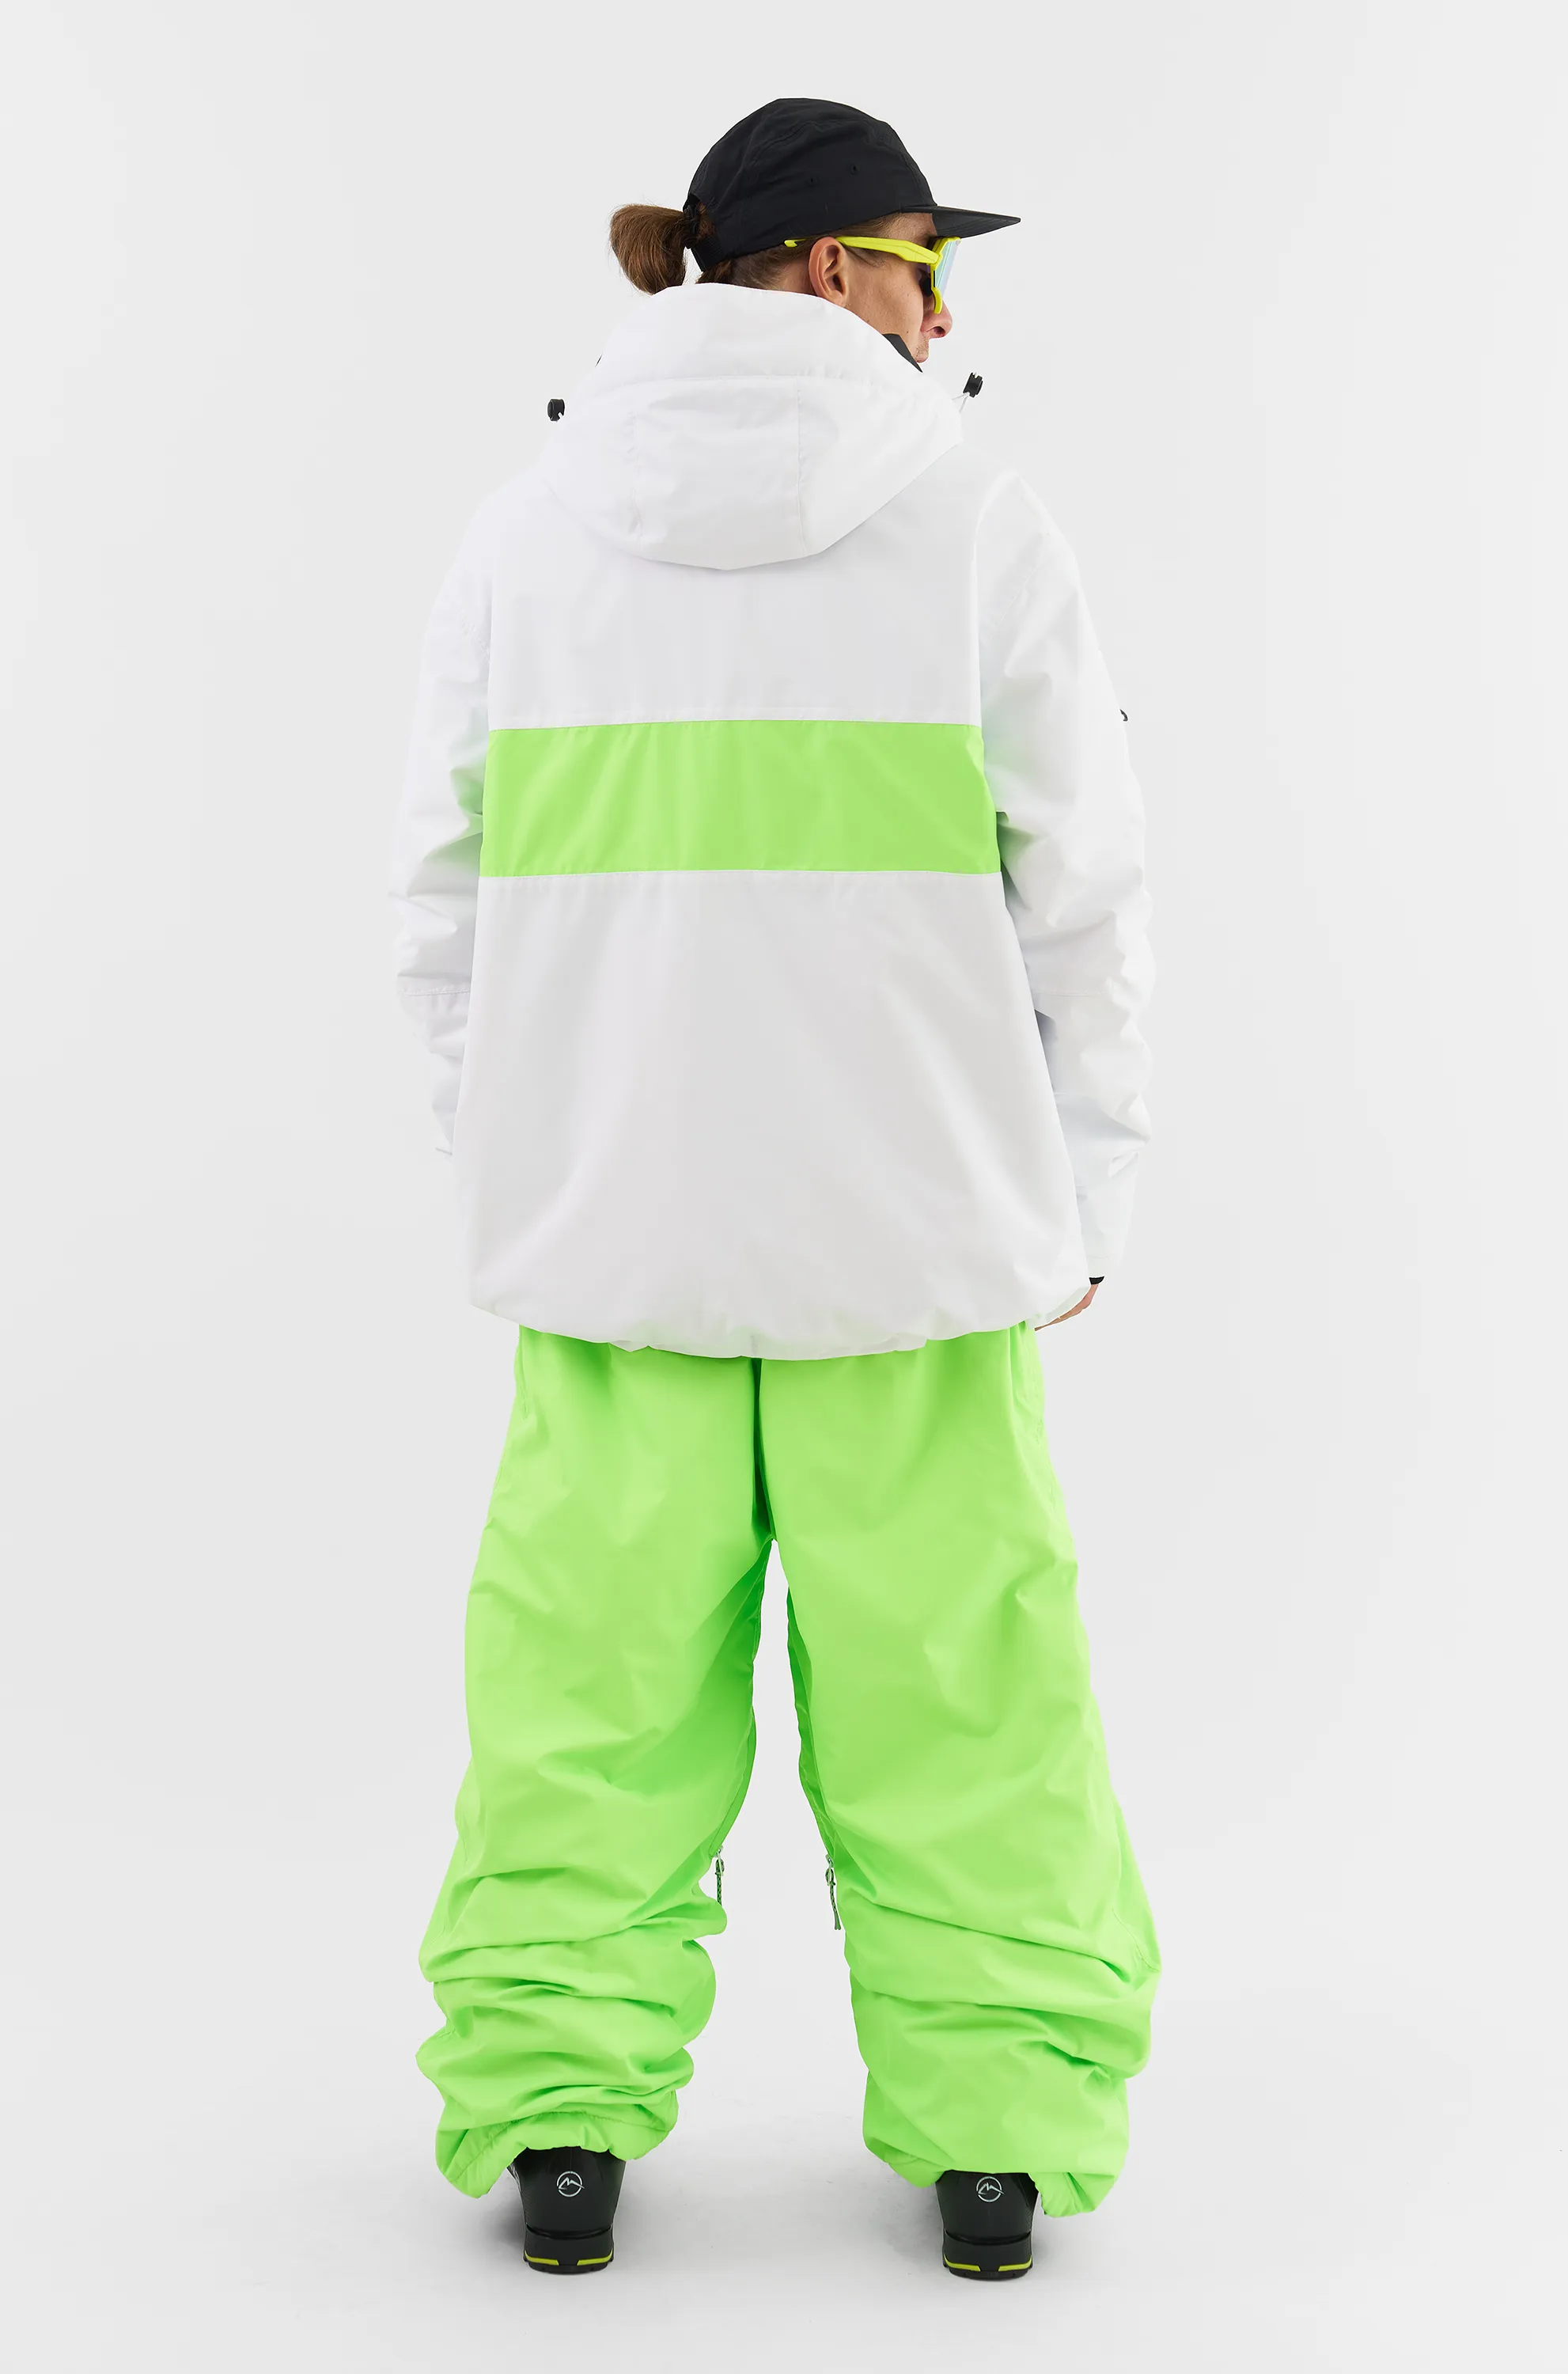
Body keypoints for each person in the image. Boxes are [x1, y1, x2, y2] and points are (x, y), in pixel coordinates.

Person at [392, 94, 1158, 2285]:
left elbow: (437, 907)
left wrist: (530, 1158)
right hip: (919, 1253)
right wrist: (1081, 1193)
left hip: (612, 1257)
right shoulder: (981, 526)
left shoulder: (528, 534)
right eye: (929, 264)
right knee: (966, 1697)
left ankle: (557, 2122)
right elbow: (1090, 900)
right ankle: (998, 2140)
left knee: (585, 1700)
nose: (946, 314)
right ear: (833, 267)